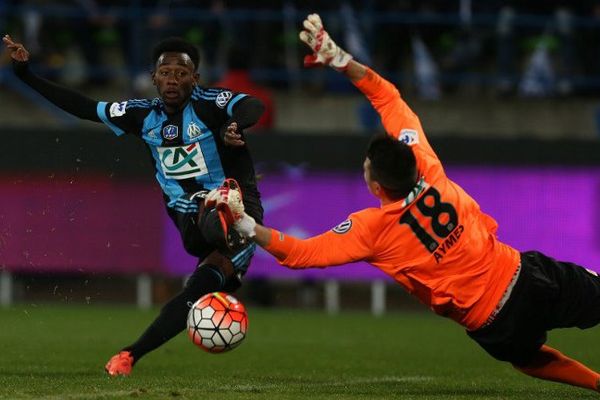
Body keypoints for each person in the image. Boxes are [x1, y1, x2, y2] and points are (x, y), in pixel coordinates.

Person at [216, 14, 600, 394]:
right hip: (525, 275)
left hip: (493, 322)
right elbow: (387, 96)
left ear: (376, 184)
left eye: (366, 168)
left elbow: (300, 254)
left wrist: (246, 223)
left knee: (528, 358)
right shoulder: (426, 163)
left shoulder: (373, 229)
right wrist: (341, 60)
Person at [2, 34, 265, 376]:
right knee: (202, 224)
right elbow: (84, 107)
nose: (173, 79)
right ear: (153, 78)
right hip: (189, 211)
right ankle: (219, 213)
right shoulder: (142, 114)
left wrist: (235, 124)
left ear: (195, 79)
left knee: (197, 291)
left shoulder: (210, 103)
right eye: (165, 72)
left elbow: (252, 106)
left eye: (182, 73)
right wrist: (25, 75)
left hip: (243, 210)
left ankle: (129, 356)